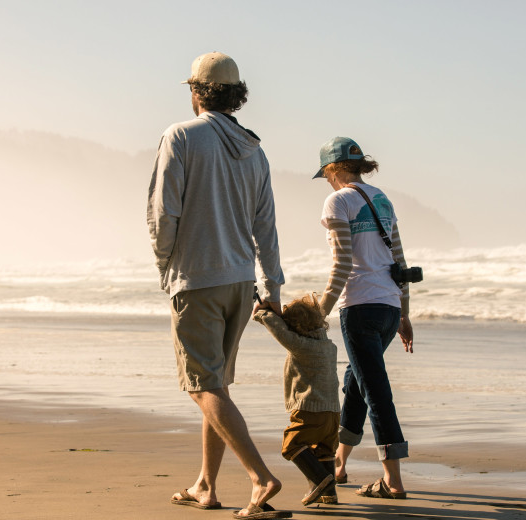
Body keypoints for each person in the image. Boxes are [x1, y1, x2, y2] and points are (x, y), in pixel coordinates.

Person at [147, 51, 290, 519]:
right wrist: (273, 285)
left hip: (198, 279)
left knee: (201, 384)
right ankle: (206, 485)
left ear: (196, 91)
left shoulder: (182, 136)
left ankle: (260, 477)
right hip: (241, 281)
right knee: (218, 385)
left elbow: (162, 212)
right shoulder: (255, 150)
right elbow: (265, 226)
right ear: (236, 94)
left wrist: (166, 264)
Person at [313, 136, 414, 500]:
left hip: (358, 306)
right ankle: (339, 463)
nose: (327, 180)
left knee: (375, 391)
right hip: (388, 307)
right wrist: (404, 313)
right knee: (356, 380)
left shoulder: (337, 200)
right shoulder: (382, 198)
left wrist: (320, 310)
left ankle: (392, 481)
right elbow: (399, 260)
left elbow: (342, 263)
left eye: (326, 173)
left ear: (334, 169)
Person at [253, 293, 340, 506]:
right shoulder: (330, 347)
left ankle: (321, 481)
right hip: (334, 413)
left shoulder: (301, 346)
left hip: (310, 409)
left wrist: (263, 313)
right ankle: (329, 494)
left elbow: (281, 333)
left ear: (295, 327)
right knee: (325, 450)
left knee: (291, 445)